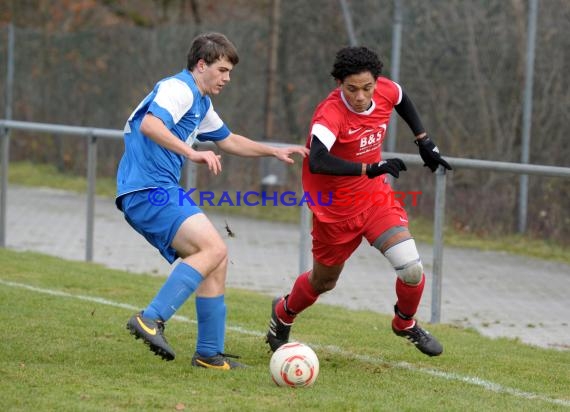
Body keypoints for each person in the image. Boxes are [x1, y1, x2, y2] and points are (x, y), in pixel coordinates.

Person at [116, 32, 308, 369]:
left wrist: (273, 151)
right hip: (147, 189)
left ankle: (208, 354)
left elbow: (229, 140)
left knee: (216, 257)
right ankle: (151, 319)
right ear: (201, 65)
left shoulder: (201, 101)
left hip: (154, 189)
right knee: (214, 249)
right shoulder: (179, 89)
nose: (227, 78)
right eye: (222, 70)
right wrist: (191, 151)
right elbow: (149, 124)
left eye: (230, 72)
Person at [266, 46, 452, 357]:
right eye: (352, 89)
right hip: (334, 212)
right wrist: (370, 167)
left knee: (411, 268)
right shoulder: (330, 114)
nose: (361, 96)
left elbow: (402, 98)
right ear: (339, 84)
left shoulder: (384, 91)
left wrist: (424, 140)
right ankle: (283, 313)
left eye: (367, 87)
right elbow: (318, 161)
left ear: (376, 82)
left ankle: (404, 322)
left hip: (374, 200)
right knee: (322, 282)